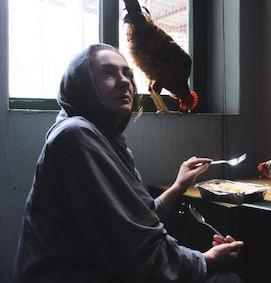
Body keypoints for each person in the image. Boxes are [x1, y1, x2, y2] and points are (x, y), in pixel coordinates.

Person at [13, 43, 244, 283]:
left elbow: (129, 225)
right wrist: (207, 260)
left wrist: (178, 187)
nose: (125, 82)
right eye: (107, 73)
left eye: (128, 75)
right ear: (82, 84)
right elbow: (140, 250)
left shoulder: (102, 138)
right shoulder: (75, 136)